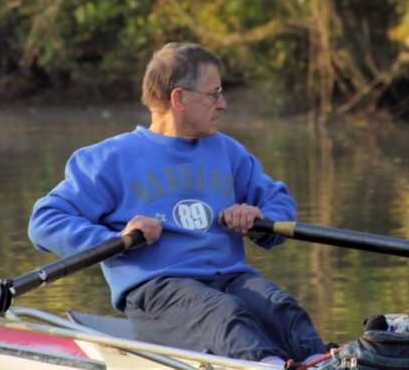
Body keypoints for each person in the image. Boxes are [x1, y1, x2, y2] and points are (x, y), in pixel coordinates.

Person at [28, 42, 326, 365]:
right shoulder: (109, 159)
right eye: (214, 94)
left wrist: (259, 216)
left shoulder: (228, 152)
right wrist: (114, 239)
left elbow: (279, 202)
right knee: (227, 316)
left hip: (231, 279)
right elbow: (45, 221)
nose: (223, 104)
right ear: (178, 98)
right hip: (157, 290)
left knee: (284, 310)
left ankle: (323, 360)